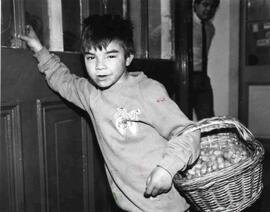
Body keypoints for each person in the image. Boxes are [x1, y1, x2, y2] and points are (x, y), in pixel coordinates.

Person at [19, 15, 200, 212]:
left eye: (111, 56)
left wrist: (167, 169)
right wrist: (38, 48)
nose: (100, 66)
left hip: (168, 206)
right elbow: (63, 80)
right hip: (128, 206)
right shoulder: (91, 94)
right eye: (91, 57)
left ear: (128, 57)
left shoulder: (149, 91)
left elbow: (188, 132)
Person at [192, 0, 220, 120]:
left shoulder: (210, 28)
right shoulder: (184, 24)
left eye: (213, 6)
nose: (209, 9)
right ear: (196, 4)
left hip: (202, 77)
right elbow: (155, 36)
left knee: (208, 119)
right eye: (205, 4)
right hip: (185, 77)